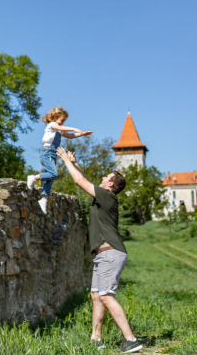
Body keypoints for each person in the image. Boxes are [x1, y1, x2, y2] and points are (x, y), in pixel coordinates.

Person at [56, 146, 143, 354]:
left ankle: (130, 340)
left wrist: (65, 160)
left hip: (110, 253)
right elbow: (85, 181)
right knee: (96, 295)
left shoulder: (108, 196)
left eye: (106, 177)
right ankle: (95, 339)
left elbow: (80, 182)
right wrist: (75, 163)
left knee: (106, 296)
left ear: (111, 184)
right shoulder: (103, 196)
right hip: (104, 254)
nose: (102, 178)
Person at [27, 107, 92, 213]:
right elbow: (62, 129)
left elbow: (70, 136)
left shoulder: (59, 130)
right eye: (62, 120)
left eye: (64, 121)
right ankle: (33, 177)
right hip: (47, 151)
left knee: (51, 177)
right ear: (55, 117)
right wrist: (74, 128)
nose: (62, 123)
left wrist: (82, 134)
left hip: (53, 154)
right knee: (53, 174)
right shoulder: (51, 125)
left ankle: (44, 199)